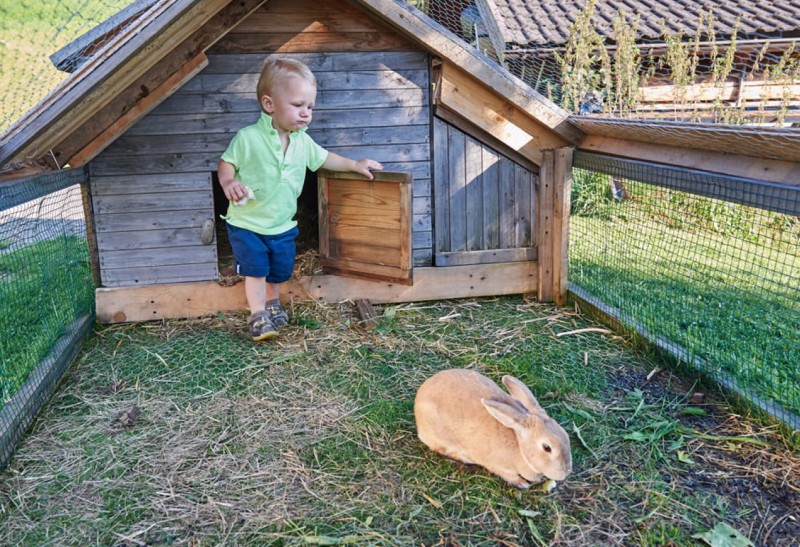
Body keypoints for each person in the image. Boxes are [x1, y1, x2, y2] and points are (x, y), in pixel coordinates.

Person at [218, 58, 383, 341]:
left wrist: (355, 164)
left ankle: (273, 303)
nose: (306, 113)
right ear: (269, 104)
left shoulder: (302, 141)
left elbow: (325, 159)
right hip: (248, 223)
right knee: (256, 270)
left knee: (279, 270)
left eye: (310, 107)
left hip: (282, 224)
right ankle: (258, 315)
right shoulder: (248, 138)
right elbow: (226, 163)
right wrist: (229, 181)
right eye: (298, 105)